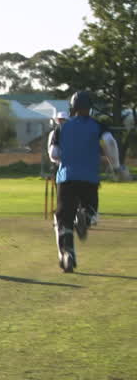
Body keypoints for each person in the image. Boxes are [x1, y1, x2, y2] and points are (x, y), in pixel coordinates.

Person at [47, 90, 129, 272]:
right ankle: (85, 216)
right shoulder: (98, 126)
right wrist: (116, 166)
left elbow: (53, 154)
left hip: (66, 178)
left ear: (72, 108)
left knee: (62, 219)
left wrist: (67, 158)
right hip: (90, 178)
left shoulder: (61, 128)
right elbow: (110, 143)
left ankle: (67, 253)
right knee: (91, 210)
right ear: (90, 109)